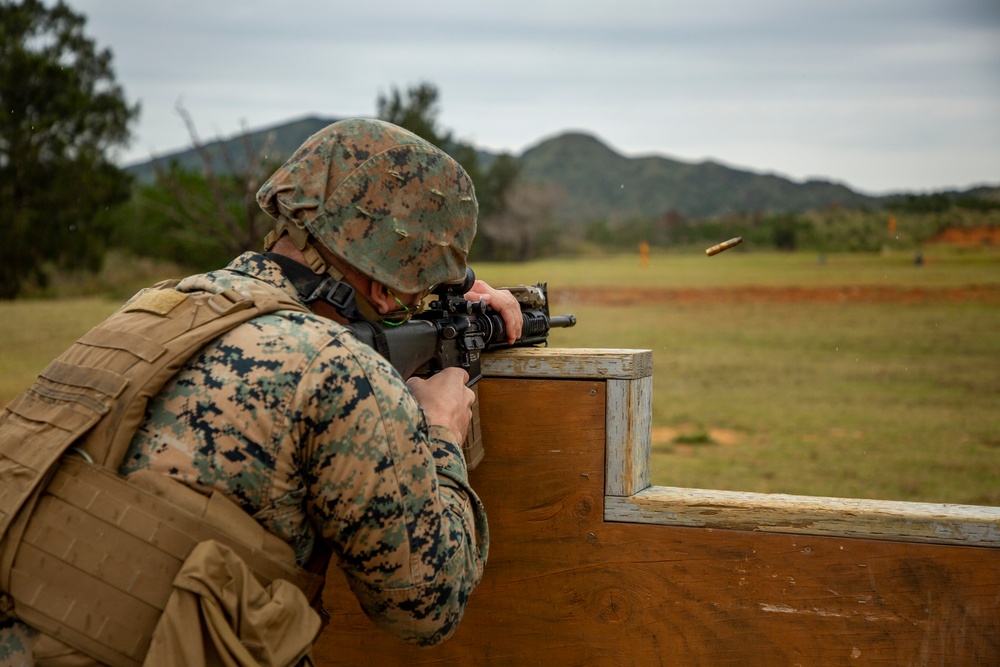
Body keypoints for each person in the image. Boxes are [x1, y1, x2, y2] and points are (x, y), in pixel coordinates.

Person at [0, 118, 521, 665]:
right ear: (382, 291)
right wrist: (440, 432)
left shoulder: (149, 310)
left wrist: (460, 296)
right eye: (421, 293)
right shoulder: (338, 369)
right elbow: (425, 605)